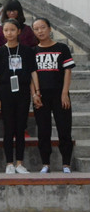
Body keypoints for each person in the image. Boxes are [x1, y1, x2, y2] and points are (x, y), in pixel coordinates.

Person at [0, 19, 40, 174]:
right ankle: (9, 163)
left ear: (19, 31)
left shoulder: (27, 51)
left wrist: (36, 92)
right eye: (6, 30)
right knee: (8, 128)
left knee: (20, 128)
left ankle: (19, 163)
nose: (9, 33)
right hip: (5, 92)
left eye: (12, 30)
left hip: (23, 92)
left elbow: (32, 72)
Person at [32, 18, 75, 174]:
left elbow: (68, 71)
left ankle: (66, 164)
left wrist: (64, 93)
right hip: (41, 96)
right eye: (36, 29)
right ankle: (45, 163)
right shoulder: (33, 51)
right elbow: (32, 75)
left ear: (50, 29)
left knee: (64, 129)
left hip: (59, 94)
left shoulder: (62, 48)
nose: (40, 31)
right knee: (43, 131)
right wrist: (35, 94)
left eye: (43, 27)